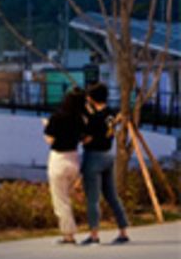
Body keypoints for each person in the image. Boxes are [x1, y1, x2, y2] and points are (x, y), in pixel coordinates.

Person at [80, 83, 131, 245]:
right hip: (108, 155)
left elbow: (86, 139)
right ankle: (123, 230)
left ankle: (94, 234)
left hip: (93, 157)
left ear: (92, 98)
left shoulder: (94, 119)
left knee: (93, 198)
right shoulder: (111, 114)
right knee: (112, 196)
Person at [42, 88, 86, 245]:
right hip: (74, 159)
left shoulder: (57, 116)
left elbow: (49, 140)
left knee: (61, 200)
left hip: (59, 160)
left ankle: (69, 234)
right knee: (68, 198)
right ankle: (72, 229)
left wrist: (47, 125)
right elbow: (83, 138)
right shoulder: (80, 119)